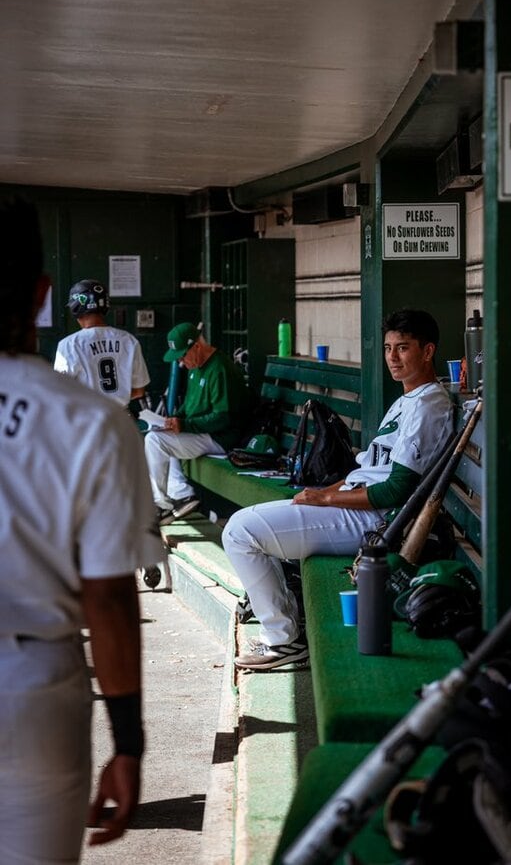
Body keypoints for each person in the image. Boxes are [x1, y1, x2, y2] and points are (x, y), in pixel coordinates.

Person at [0, 197, 166, 862]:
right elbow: (109, 600)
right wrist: (128, 742)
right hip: (37, 685)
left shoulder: (77, 371)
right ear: (40, 296)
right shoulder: (92, 423)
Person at [223, 308, 454, 671]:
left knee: (239, 531)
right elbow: (371, 470)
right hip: (354, 505)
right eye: (389, 348)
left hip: (373, 520)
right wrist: (325, 490)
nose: (393, 357)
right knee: (250, 524)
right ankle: (285, 628)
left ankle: (284, 641)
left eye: (403, 348)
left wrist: (327, 497)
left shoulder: (429, 405)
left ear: (427, 351)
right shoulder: (408, 397)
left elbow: (394, 490)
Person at [145, 321, 249, 524]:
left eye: (183, 355)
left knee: (155, 441)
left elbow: (222, 418)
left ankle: (167, 502)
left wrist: (183, 425)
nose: (182, 362)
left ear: (197, 346)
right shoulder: (196, 367)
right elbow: (191, 407)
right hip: (205, 433)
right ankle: (181, 494)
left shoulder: (219, 368)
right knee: (160, 437)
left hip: (223, 438)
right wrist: (174, 420)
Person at [54, 279, 150, 410]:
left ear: (76, 307)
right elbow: (139, 391)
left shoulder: (69, 344)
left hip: (88, 419)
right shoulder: (128, 340)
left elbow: (61, 393)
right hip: (119, 417)